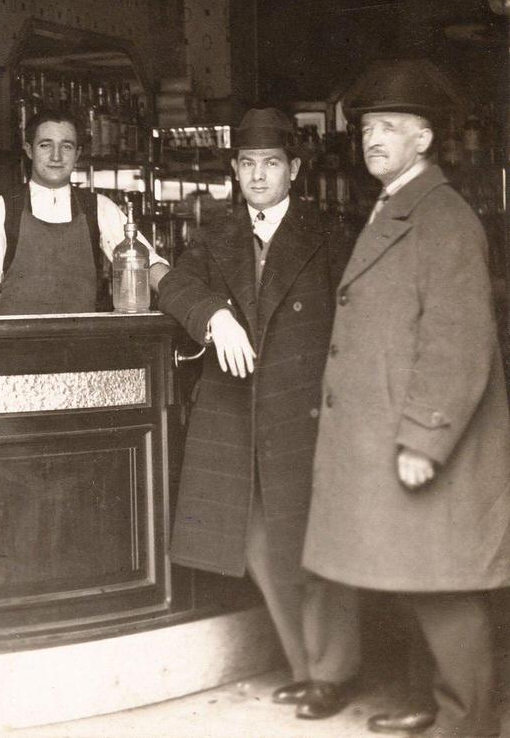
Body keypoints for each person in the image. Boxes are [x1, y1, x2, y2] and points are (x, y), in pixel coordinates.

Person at [301, 60, 510, 737]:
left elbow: (459, 342)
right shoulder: (400, 205)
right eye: (367, 127)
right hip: (392, 434)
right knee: (422, 574)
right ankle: (433, 704)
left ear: (424, 140)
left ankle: (469, 722)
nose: (373, 138)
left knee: (444, 585)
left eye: (390, 126)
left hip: (421, 437)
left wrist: (424, 436)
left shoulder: (442, 217)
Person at [159, 108, 360, 721]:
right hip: (239, 412)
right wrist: (214, 316)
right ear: (235, 170)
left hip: (303, 410)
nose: (258, 175)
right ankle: (307, 668)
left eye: (271, 164)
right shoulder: (214, 234)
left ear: (294, 170)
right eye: (247, 164)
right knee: (257, 543)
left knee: (314, 544)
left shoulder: (327, 234)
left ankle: (334, 671)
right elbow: (170, 285)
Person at [0, 109, 169, 315]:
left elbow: (146, 263)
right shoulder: (1, 209)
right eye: (45, 145)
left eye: (66, 146)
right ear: (29, 150)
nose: (56, 156)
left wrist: (189, 304)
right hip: (17, 343)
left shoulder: (99, 207)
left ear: (77, 154)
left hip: (80, 342)